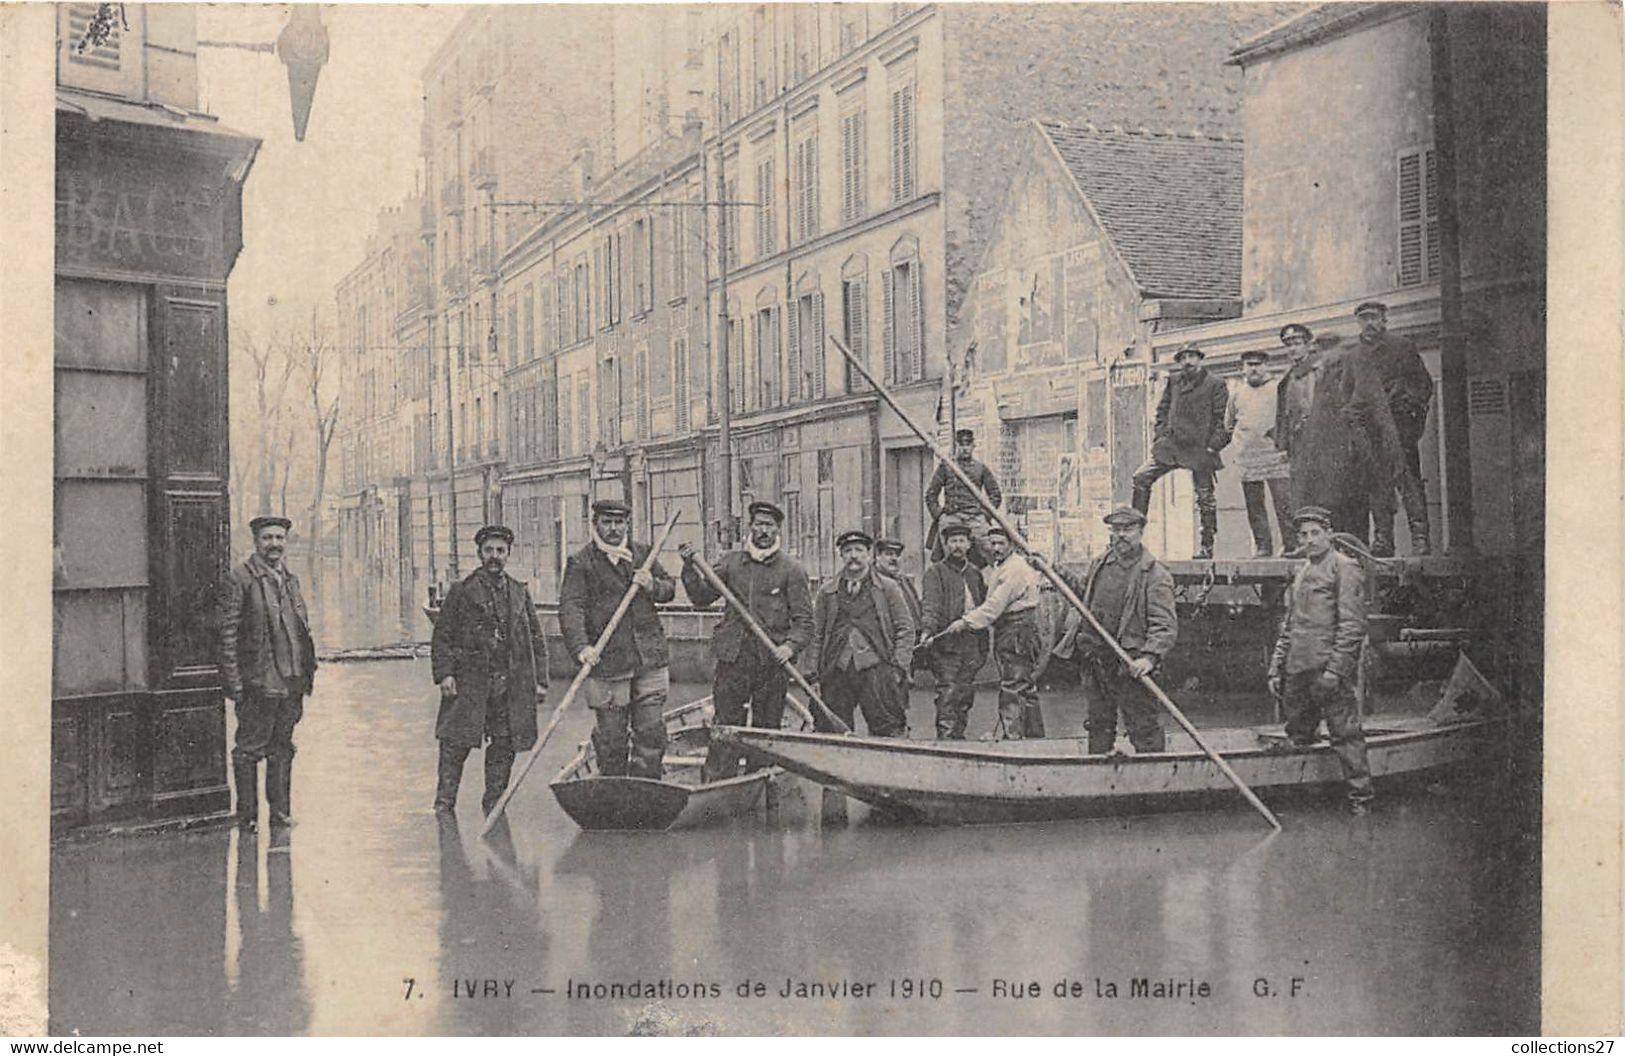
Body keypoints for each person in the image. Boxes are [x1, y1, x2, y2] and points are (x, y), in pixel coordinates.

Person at [678, 501, 814, 780]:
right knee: (726, 725)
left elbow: (805, 622)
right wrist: (690, 569)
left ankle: (760, 782)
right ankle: (717, 782)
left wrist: (789, 647)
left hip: (771, 661)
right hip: (733, 658)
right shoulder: (731, 563)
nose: (763, 531)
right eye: (759, 525)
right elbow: (702, 598)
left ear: (778, 530)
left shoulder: (792, 570)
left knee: (766, 729)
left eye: (770, 526)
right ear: (750, 527)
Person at [430, 525, 549, 814]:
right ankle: (444, 806)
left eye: (500, 551)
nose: (494, 556)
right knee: (454, 744)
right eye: (489, 551)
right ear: (479, 553)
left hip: (508, 686)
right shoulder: (461, 592)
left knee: (504, 744)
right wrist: (445, 674)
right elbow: (442, 636)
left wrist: (540, 681)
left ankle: (494, 805)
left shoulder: (519, 593)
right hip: (468, 683)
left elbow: (536, 638)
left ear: (508, 554)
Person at [1267, 506, 1374, 814]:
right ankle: (1302, 799)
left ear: (1329, 533)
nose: (1310, 540)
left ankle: (1361, 801)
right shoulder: (1301, 571)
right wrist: (1277, 668)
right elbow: (1290, 625)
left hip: (1327, 671)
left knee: (1346, 735)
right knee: (1298, 734)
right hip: (1298, 671)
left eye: (1316, 533)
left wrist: (1335, 671)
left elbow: (1352, 625)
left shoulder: (1345, 567)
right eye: (1303, 534)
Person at [559, 499, 676, 779]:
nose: (613, 529)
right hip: (607, 662)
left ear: (627, 524)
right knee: (612, 737)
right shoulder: (581, 563)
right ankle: (613, 788)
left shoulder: (644, 555)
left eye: (618, 522)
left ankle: (647, 788)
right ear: (595, 524)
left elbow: (669, 589)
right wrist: (581, 647)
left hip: (649, 658)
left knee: (650, 731)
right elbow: (571, 608)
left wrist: (652, 585)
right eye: (607, 522)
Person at [1049, 507, 1177, 755]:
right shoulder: (1101, 563)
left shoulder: (1154, 574)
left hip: (1130, 663)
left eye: (1127, 529)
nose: (1121, 535)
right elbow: (1082, 594)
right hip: (1097, 659)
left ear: (1140, 531)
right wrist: (1054, 570)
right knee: (1098, 724)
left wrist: (1149, 657)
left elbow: (1165, 625)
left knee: (1143, 726)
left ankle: (1153, 780)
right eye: (1116, 530)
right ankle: (1097, 776)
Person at [219, 515, 318, 830]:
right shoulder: (241, 579)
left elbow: (301, 630)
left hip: (290, 683)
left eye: (279, 538)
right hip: (257, 683)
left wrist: (305, 674)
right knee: (249, 750)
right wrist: (235, 684)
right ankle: (247, 817)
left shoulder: (291, 580)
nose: (274, 544)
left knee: (283, 749)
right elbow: (228, 635)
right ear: (256, 542)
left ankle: (279, 814)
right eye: (267, 538)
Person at [1289, 332, 1404, 542]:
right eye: (1319, 352)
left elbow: (1375, 404)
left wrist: (1385, 441)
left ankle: (1376, 545)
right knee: (1340, 506)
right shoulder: (1325, 375)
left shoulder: (1355, 363)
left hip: (1360, 447)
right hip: (1334, 455)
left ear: (1337, 348)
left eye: (1324, 351)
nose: (1322, 357)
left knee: (1366, 502)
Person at [801, 530, 916, 737]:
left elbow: (905, 628)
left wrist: (898, 666)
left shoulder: (888, 588)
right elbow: (816, 634)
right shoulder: (828, 592)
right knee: (831, 728)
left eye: (859, 550)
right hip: (837, 669)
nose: (853, 556)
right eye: (848, 551)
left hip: (877, 668)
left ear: (869, 555)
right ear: (841, 556)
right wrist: (812, 674)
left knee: (887, 727)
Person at [941, 526, 1044, 739]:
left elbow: (994, 606)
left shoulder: (1015, 569)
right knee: (1024, 685)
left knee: (1013, 687)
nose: (995, 548)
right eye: (993, 543)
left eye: (1001, 544)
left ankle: (1013, 738)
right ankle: (1034, 737)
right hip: (1013, 629)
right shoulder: (1003, 565)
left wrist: (965, 621)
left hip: (1017, 630)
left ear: (1012, 545)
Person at [1131, 343, 1231, 559]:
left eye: (1192, 356)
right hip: (1172, 447)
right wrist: (1160, 437)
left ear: (1200, 359)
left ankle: (1207, 545)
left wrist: (1213, 445)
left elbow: (1223, 420)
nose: (1188, 361)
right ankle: (1134, 537)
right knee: (1140, 477)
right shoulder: (1174, 381)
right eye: (1183, 357)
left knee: (1205, 497)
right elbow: (1162, 410)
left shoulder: (1215, 384)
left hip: (1200, 448)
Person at [1353, 301, 1433, 555]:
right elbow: (1347, 394)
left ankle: (1420, 539)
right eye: (1363, 318)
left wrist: (1408, 412)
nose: (1369, 323)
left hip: (1400, 430)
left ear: (1384, 320)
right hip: (1370, 432)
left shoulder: (1402, 347)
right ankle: (1383, 539)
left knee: (1409, 483)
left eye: (1374, 317)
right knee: (1377, 486)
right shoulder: (1354, 355)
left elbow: (1423, 385)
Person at [917, 523, 989, 739]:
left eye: (961, 541)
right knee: (947, 692)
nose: (957, 546)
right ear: (945, 545)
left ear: (969, 545)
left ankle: (959, 738)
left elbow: (984, 606)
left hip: (971, 644)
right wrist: (927, 631)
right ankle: (946, 741)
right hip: (945, 645)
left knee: (965, 694)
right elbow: (930, 605)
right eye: (953, 541)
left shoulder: (975, 573)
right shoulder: (935, 573)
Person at [1227, 349, 1295, 556]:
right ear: (1243, 368)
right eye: (1250, 365)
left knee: (1284, 504)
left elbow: (1289, 418)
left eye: (1258, 364)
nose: (1254, 369)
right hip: (1248, 459)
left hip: (1276, 457)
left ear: (1266, 366)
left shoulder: (1277, 388)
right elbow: (1229, 423)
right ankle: (1264, 546)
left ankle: (1292, 546)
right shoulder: (1237, 392)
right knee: (1255, 507)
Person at [925, 428, 1003, 567]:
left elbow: (995, 495)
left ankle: (994, 577)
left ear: (973, 446)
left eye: (968, 445)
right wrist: (939, 515)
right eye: (961, 445)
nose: (965, 448)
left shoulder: (980, 468)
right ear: (956, 446)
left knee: (989, 549)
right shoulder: (947, 466)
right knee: (948, 552)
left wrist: (984, 515)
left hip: (975, 517)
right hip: (952, 516)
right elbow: (931, 494)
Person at [1273, 323, 1323, 468]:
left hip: (1319, 437)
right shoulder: (1288, 376)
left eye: (1297, 344)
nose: (1292, 349)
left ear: (1308, 345)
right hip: (1296, 442)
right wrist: (1282, 445)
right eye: (1288, 345)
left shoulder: (1319, 370)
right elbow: (1283, 413)